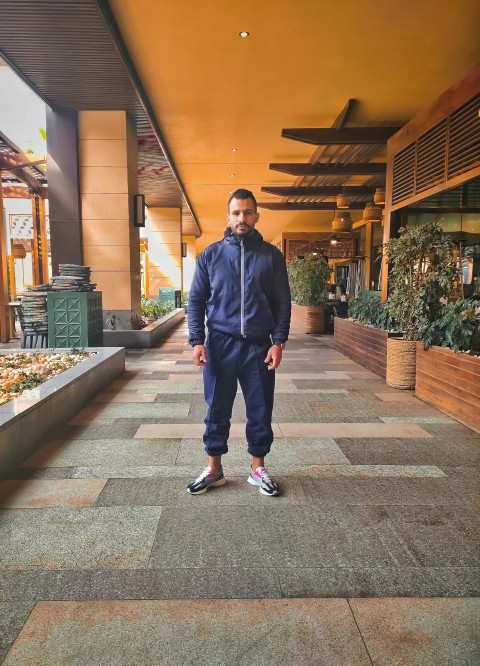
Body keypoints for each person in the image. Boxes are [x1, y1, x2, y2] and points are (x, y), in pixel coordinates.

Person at [187, 188, 291, 497]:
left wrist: (279, 341)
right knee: (216, 407)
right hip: (220, 344)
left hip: (259, 346)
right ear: (228, 216)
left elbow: (282, 302)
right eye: (236, 213)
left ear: (256, 216)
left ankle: (258, 468)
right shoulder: (211, 255)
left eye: (247, 212)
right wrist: (197, 340)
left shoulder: (271, 256)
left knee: (260, 409)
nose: (241, 218)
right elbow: (195, 301)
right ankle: (214, 469)